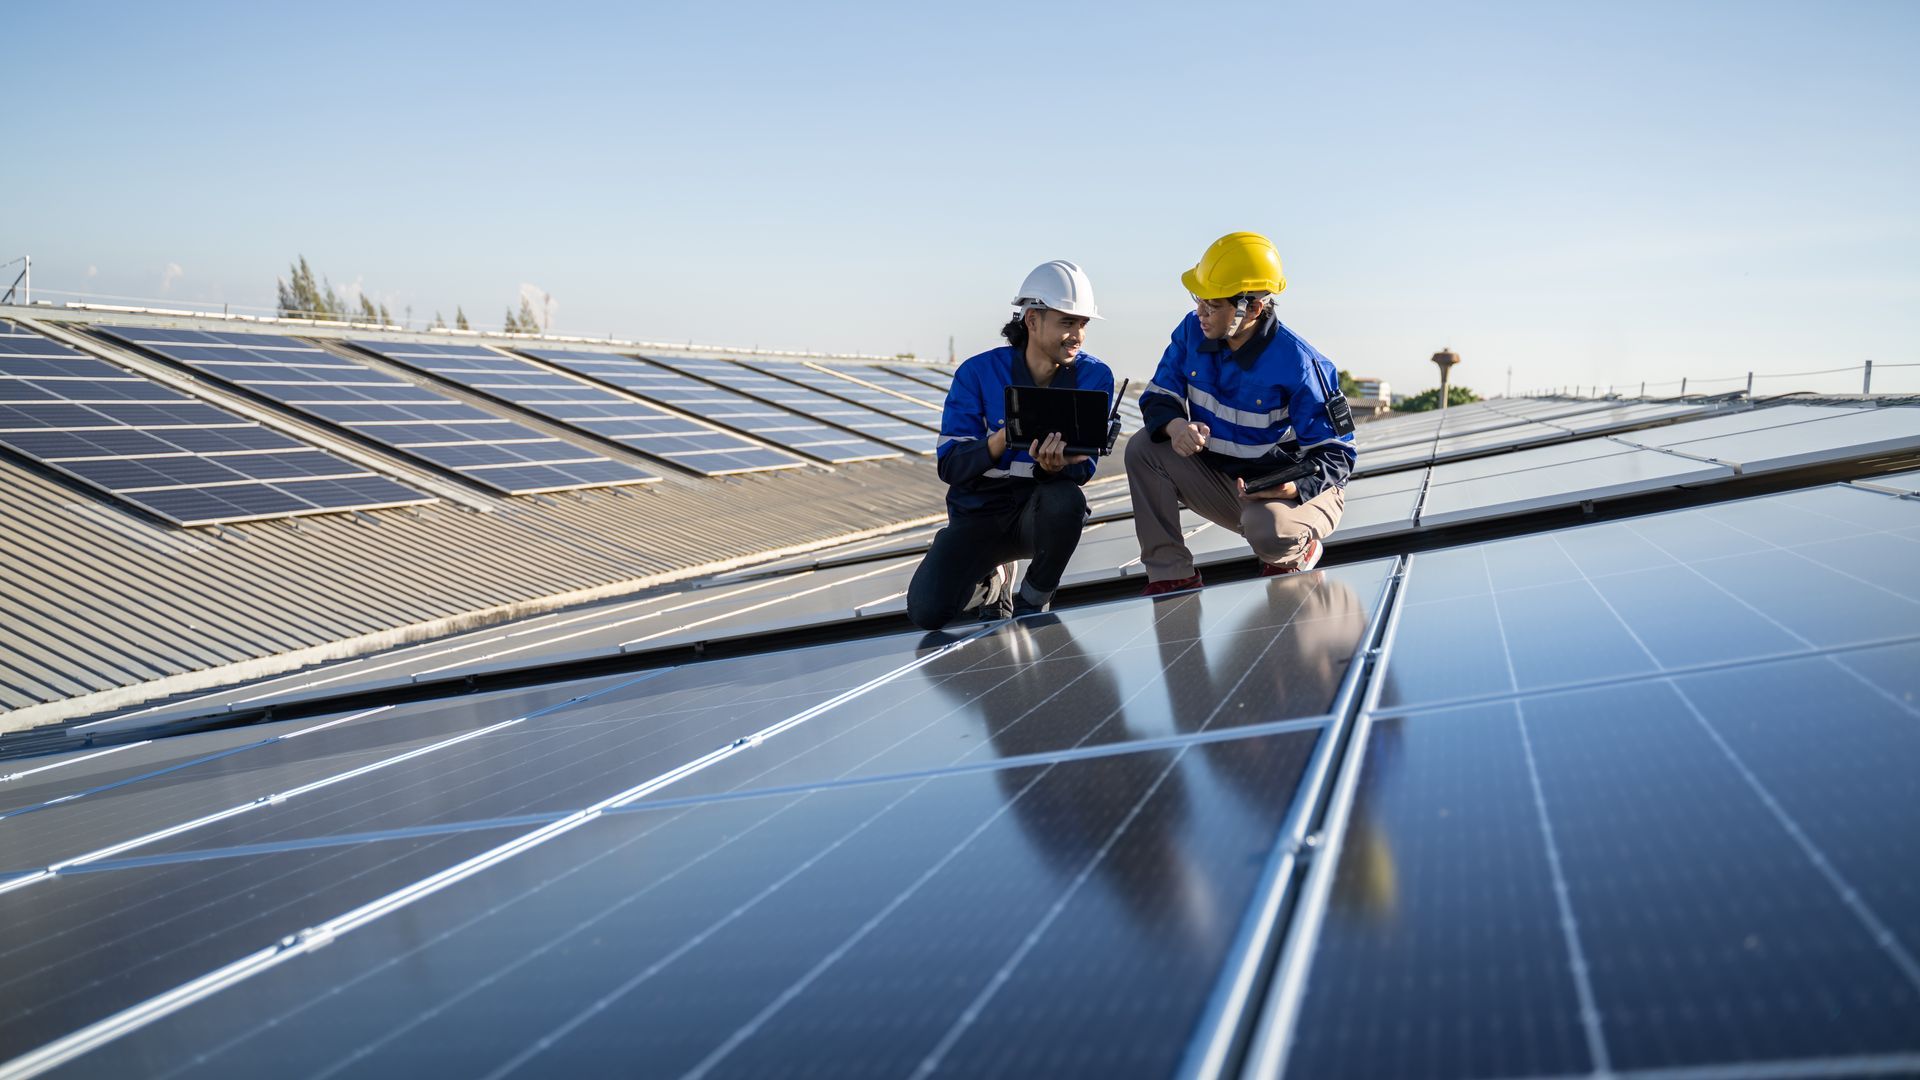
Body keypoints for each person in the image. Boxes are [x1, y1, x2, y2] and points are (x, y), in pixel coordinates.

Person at [1126, 231, 1357, 594]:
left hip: (1294, 494)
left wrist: (1293, 486)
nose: (1200, 312)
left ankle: (1297, 550)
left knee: (1269, 531)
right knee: (1144, 448)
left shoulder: (1300, 364)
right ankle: (1171, 575)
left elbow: (1337, 455)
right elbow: (1159, 395)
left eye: (1213, 305)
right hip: (1231, 483)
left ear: (1252, 308)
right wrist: (1176, 426)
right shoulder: (1191, 331)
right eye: (1198, 300)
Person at [906, 260, 1116, 629]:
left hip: (1039, 514)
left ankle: (1034, 601)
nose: (1077, 335)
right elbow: (951, 465)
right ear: (1032, 320)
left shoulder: (1095, 376)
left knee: (1066, 499)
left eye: (1082, 324)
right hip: (979, 517)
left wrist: (1054, 468)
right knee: (927, 611)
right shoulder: (977, 373)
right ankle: (993, 582)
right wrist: (1003, 439)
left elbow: (1083, 468)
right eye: (1067, 322)